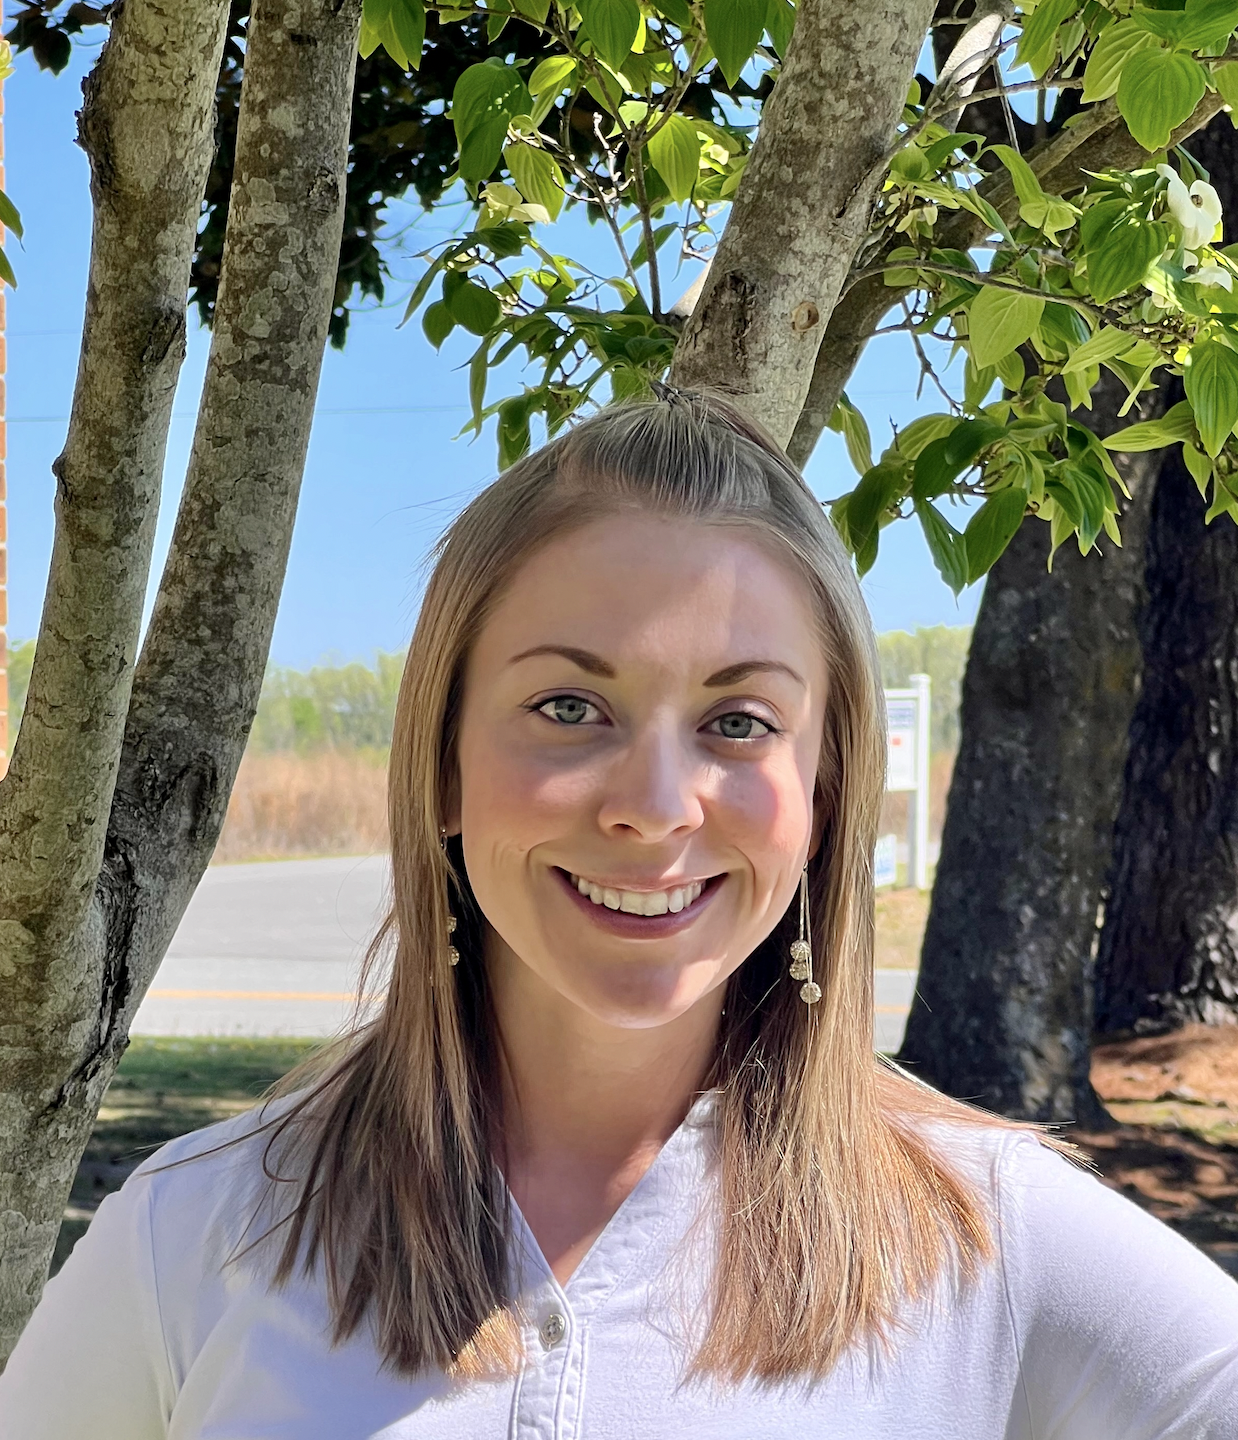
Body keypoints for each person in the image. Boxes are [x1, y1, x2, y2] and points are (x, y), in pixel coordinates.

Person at [2, 390, 1237, 1439]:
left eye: (738, 723)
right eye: (566, 708)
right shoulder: (191, 1236)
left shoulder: (991, 1241)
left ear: (820, 792)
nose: (654, 807)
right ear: (439, 761)